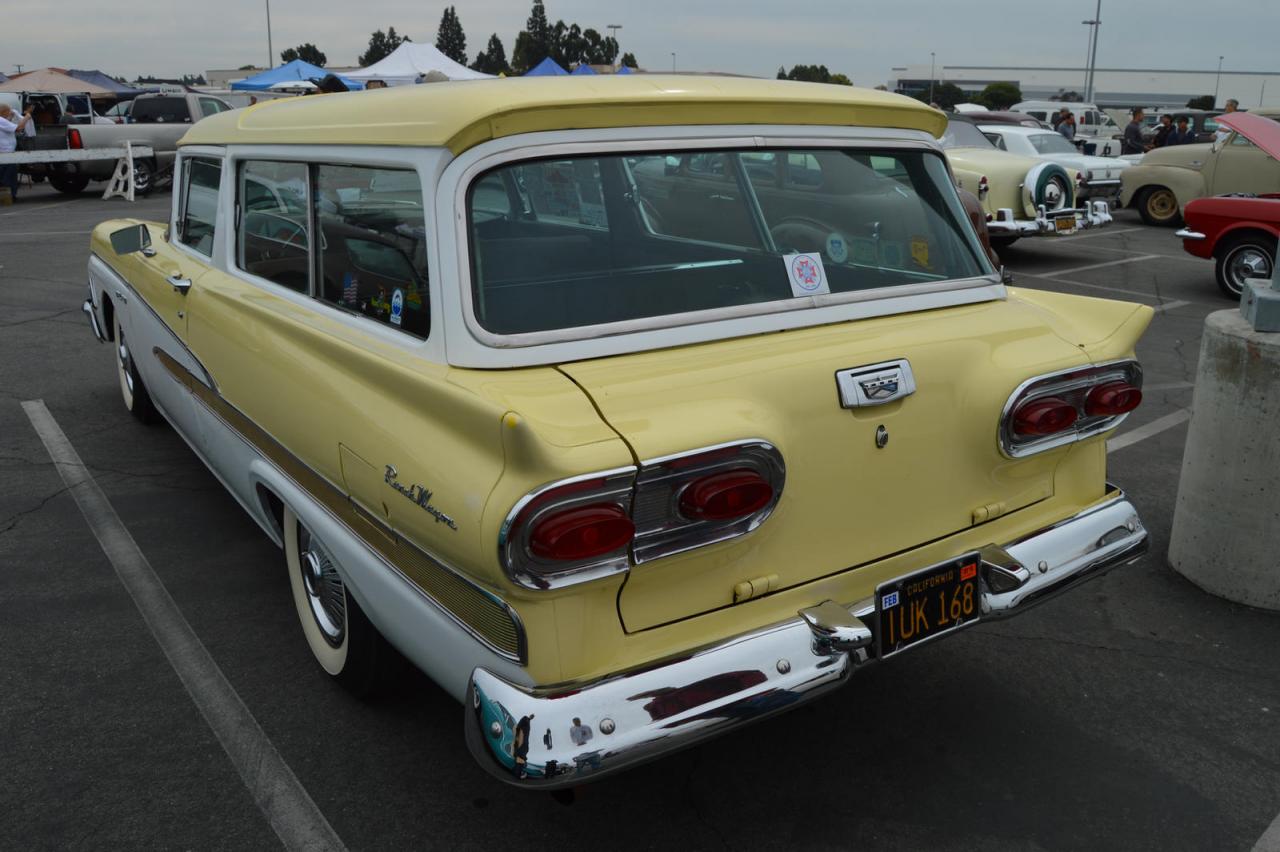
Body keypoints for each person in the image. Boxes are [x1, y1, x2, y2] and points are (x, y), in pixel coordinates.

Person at [0, 104, 34, 201]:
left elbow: (8, 127)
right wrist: (27, 117)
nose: (11, 113)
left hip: (5, 153)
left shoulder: (3, 121)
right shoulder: (0, 120)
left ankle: (8, 195)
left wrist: (11, 117)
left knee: (6, 176)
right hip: (6, 154)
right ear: (4, 112)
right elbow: (19, 128)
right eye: (9, 111)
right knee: (8, 177)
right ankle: (10, 196)